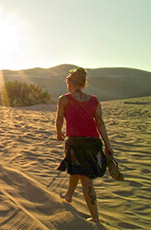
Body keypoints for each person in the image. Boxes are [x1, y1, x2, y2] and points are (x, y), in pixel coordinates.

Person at [55, 67, 113, 223]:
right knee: (75, 168)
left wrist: (58, 131)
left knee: (86, 179)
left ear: (71, 83)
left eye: (68, 82)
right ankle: (69, 195)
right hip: (93, 142)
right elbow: (100, 123)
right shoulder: (94, 100)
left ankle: (95, 218)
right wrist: (107, 144)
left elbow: (60, 117)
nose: (67, 86)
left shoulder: (64, 99)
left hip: (76, 142)